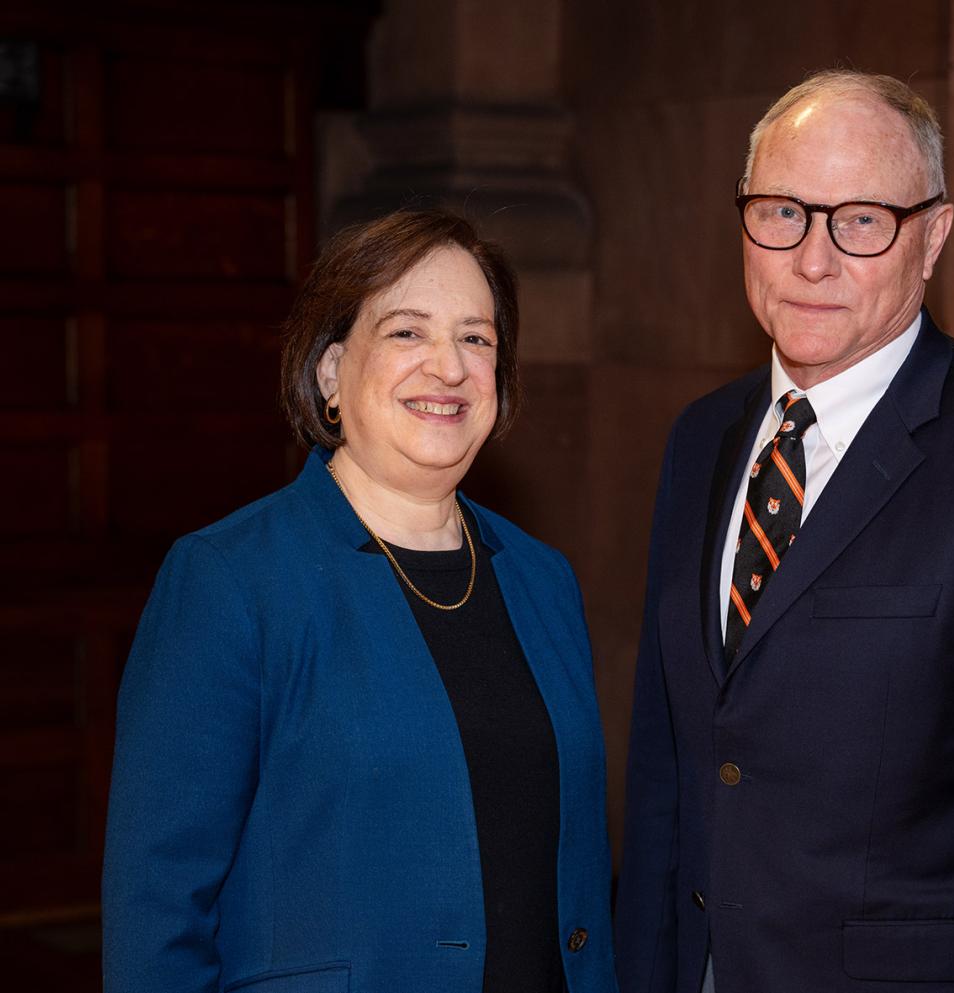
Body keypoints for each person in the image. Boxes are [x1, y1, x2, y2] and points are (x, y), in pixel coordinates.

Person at [614, 69, 954, 993]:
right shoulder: (701, 440)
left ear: (932, 237)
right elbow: (670, 767)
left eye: (860, 220)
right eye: (782, 212)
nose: (812, 259)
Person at [102, 210, 617, 993]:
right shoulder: (229, 582)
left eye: (476, 338)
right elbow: (157, 912)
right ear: (332, 370)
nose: (448, 367)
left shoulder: (543, 580)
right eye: (408, 332)